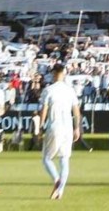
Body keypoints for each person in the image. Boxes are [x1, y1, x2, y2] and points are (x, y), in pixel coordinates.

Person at [40, 64, 81, 200]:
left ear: (53, 73)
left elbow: (44, 110)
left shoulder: (48, 90)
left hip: (54, 126)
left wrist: (40, 127)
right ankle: (60, 191)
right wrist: (77, 128)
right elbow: (76, 111)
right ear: (64, 73)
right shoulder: (70, 90)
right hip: (67, 128)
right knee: (64, 159)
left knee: (46, 158)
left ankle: (57, 180)